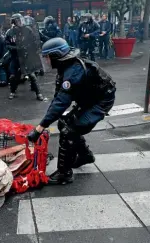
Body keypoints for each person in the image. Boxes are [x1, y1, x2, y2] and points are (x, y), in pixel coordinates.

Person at [27, 38, 115, 184]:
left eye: (47, 57)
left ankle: (64, 173)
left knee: (69, 130)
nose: (46, 61)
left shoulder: (73, 72)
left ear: (56, 56)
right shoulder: (65, 68)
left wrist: (40, 128)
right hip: (89, 99)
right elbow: (58, 100)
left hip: (100, 102)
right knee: (63, 124)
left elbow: (62, 102)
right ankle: (85, 155)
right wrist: (46, 122)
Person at [5, 14, 44, 101]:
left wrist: (33, 49)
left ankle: (38, 93)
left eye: (20, 20)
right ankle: (12, 91)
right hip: (15, 57)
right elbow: (7, 45)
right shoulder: (9, 33)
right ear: (14, 22)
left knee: (32, 75)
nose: (20, 22)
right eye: (18, 20)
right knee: (13, 76)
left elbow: (34, 41)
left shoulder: (27, 30)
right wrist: (16, 48)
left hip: (26, 57)